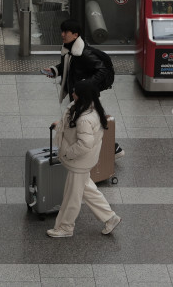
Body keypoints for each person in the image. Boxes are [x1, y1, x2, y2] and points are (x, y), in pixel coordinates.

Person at [47, 81, 121, 238]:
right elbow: (72, 128)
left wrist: (68, 153)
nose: (72, 94)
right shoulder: (88, 107)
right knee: (87, 189)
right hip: (84, 161)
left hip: (79, 162)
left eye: (75, 93)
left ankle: (66, 227)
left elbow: (84, 144)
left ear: (82, 96)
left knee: (71, 197)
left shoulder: (85, 119)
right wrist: (60, 126)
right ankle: (109, 217)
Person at [43, 19, 111, 102]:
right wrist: (54, 70)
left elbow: (102, 70)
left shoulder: (84, 54)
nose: (62, 34)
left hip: (86, 95)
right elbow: (68, 65)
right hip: (76, 93)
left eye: (66, 32)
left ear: (75, 35)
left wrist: (86, 84)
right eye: (62, 31)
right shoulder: (68, 49)